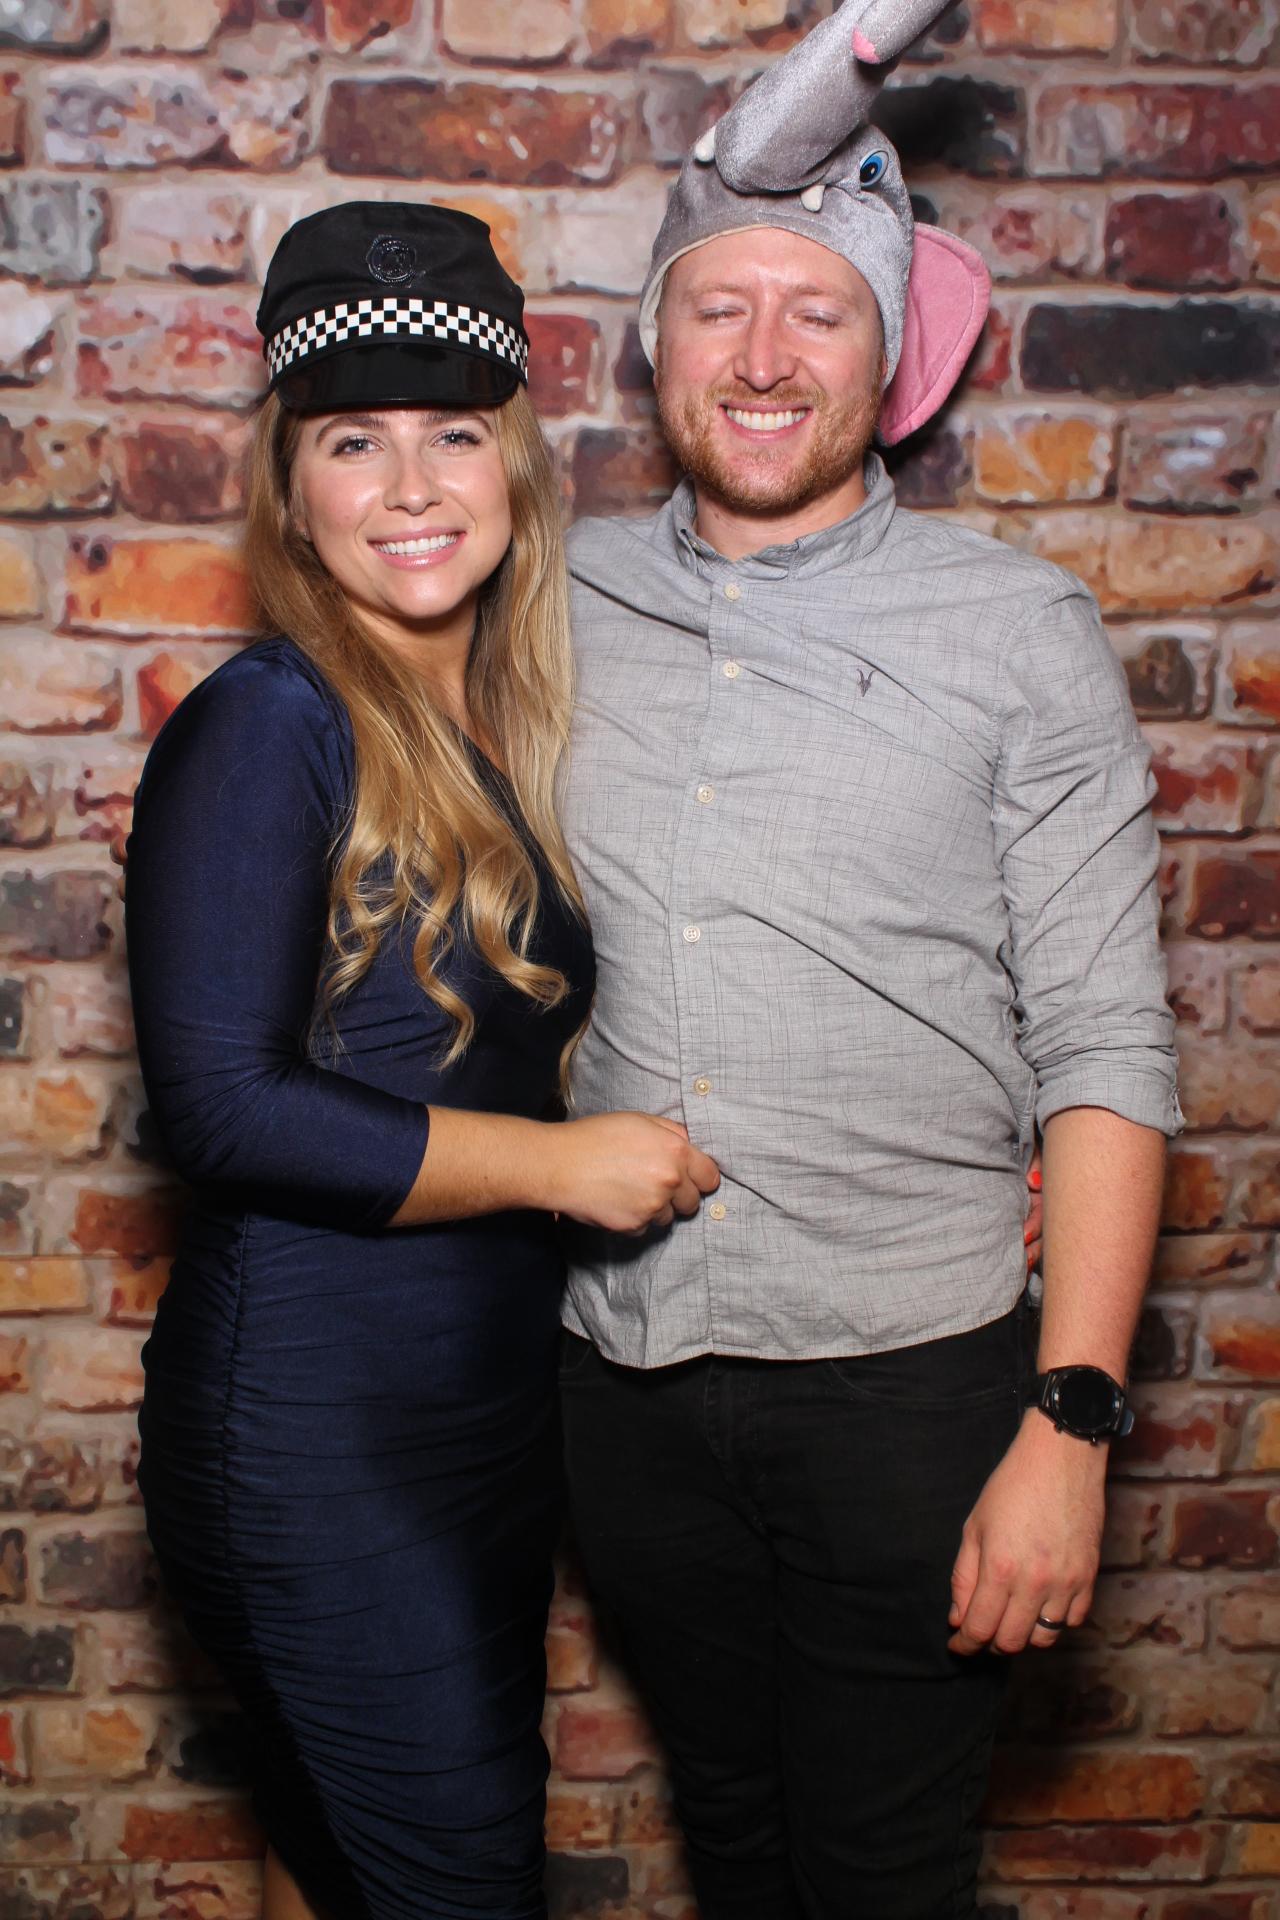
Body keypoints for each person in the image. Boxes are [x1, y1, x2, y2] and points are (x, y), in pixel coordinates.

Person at [555, 3, 1180, 1915]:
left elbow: (1106, 1047)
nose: (761, 359)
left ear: (890, 354)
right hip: (626, 1381)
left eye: (815, 312)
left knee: (888, 1877)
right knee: (736, 1846)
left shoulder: (1018, 634)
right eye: (717, 308)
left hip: (914, 1388)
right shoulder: (543, 601)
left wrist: (1068, 1425)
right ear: (654, 345)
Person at [125, 200, 720, 1920]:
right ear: (289, 485)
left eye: (455, 434)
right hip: (315, 1436)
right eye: (353, 441)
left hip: (471, 1424)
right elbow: (222, 1105)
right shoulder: (270, 725)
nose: (409, 485)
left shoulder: (493, 726)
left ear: (517, 467)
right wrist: (564, 1163)